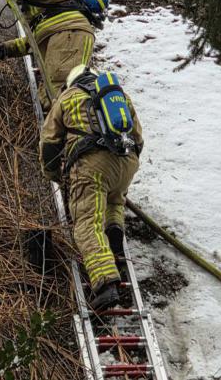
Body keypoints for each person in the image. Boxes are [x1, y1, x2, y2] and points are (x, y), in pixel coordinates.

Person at [39, 65, 143, 311]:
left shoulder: (68, 96)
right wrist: (124, 165)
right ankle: (114, 230)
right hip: (127, 161)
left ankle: (105, 284)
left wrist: (53, 174)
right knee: (114, 200)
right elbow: (138, 138)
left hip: (92, 165)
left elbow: (49, 142)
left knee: (87, 223)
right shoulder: (119, 96)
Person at [0, 0, 97, 110]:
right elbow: (34, 41)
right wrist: (5, 49)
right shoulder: (39, 8)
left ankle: (84, 126)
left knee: (61, 93)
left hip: (68, 32)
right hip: (62, 35)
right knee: (48, 97)